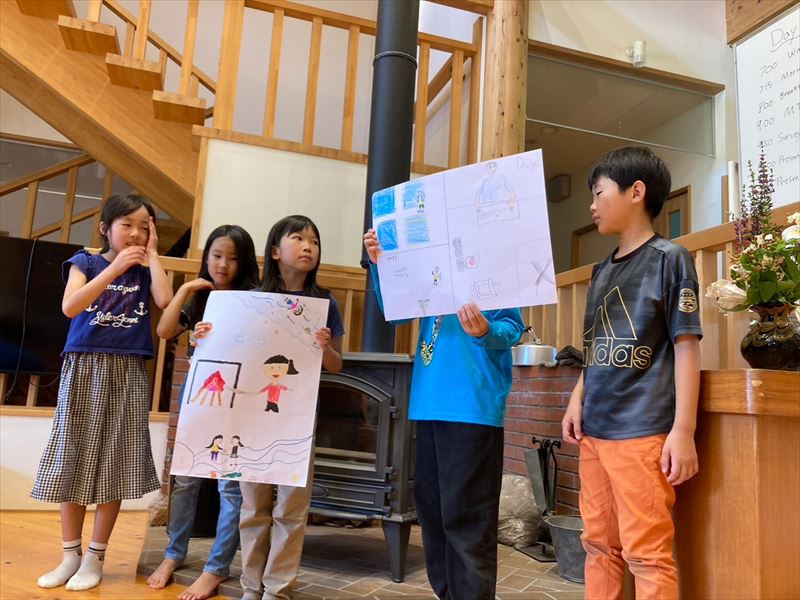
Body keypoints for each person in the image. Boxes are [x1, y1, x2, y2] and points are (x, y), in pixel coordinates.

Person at [561, 146, 703, 599]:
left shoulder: (670, 258)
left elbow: (686, 347)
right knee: (598, 544)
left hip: (642, 432)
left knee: (647, 554)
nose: (592, 205)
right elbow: (594, 347)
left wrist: (683, 431)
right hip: (594, 432)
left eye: (599, 193)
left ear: (636, 192)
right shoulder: (600, 271)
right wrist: (576, 400)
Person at [362, 229, 524, 600]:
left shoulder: (494, 262)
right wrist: (380, 265)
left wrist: (485, 330)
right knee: (433, 516)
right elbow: (397, 313)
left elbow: (513, 328)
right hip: (427, 403)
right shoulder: (431, 261)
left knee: (467, 521)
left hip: (473, 407)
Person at [197, 215, 344, 600]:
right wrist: (203, 337)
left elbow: (336, 364)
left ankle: (277, 590)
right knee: (253, 507)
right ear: (275, 251)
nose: (308, 246)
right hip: (252, 420)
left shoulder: (326, 303)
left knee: (291, 510)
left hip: (298, 420)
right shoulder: (250, 300)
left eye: (314, 240)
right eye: (298, 238)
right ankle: (251, 586)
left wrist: (325, 346)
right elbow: (226, 350)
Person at [31, 193, 173, 591]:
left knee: (115, 463)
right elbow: (71, 306)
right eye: (127, 224)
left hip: (127, 370)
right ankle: (69, 556)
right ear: (105, 229)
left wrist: (153, 254)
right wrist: (115, 268)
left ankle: (95, 557)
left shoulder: (146, 270)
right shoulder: (86, 262)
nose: (136, 233)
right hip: (83, 367)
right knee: (71, 459)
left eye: (144, 227)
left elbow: (165, 300)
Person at [147, 224, 259, 600]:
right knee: (185, 478)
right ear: (206, 257)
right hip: (199, 396)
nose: (223, 264)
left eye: (232, 258)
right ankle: (173, 554)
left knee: (230, 485)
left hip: (238, 399)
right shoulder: (199, 297)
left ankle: (216, 567)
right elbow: (164, 331)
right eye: (216, 256)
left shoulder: (254, 299)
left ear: (245, 262)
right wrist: (185, 290)